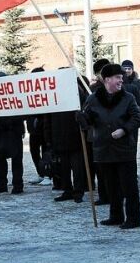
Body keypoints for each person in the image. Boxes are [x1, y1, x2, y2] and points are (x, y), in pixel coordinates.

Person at [78, 64, 140, 229]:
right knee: (111, 185)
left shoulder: (128, 98)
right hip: (103, 149)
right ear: (107, 80)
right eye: (117, 78)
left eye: (121, 78)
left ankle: (133, 219)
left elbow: (137, 117)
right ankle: (116, 216)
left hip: (124, 149)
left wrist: (124, 129)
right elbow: (89, 121)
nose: (121, 81)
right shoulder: (93, 99)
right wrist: (81, 118)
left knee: (129, 186)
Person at [44, 75, 89, 203]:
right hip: (59, 137)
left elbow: (86, 111)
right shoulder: (53, 97)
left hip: (75, 137)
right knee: (63, 167)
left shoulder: (77, 93)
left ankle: (78, 192)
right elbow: (48, 119)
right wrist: (48, 137)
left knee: (77, 168)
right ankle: (67, 190)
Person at [0, 72, 25, 194]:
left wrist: (8, 123)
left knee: (16, 160)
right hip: (1, 132)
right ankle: (2, 184)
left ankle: (17, 185)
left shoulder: (15, 95)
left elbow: (22, 112)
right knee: (0, 159)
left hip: (14, 131)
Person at [88, 58, 111, 205]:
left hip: (114, 135)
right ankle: (104, 195)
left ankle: (114, 194)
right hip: (97, 135)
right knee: (100, 167)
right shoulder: (93, 90)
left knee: (111, 169)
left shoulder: (120, 88)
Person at [26, 67, 50, 186]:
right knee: (34, 151)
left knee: (46, 151)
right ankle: (40, 173)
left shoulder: (46, 89)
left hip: (44, 126)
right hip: (33, 128)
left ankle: (48, 175)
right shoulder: (30, 89)